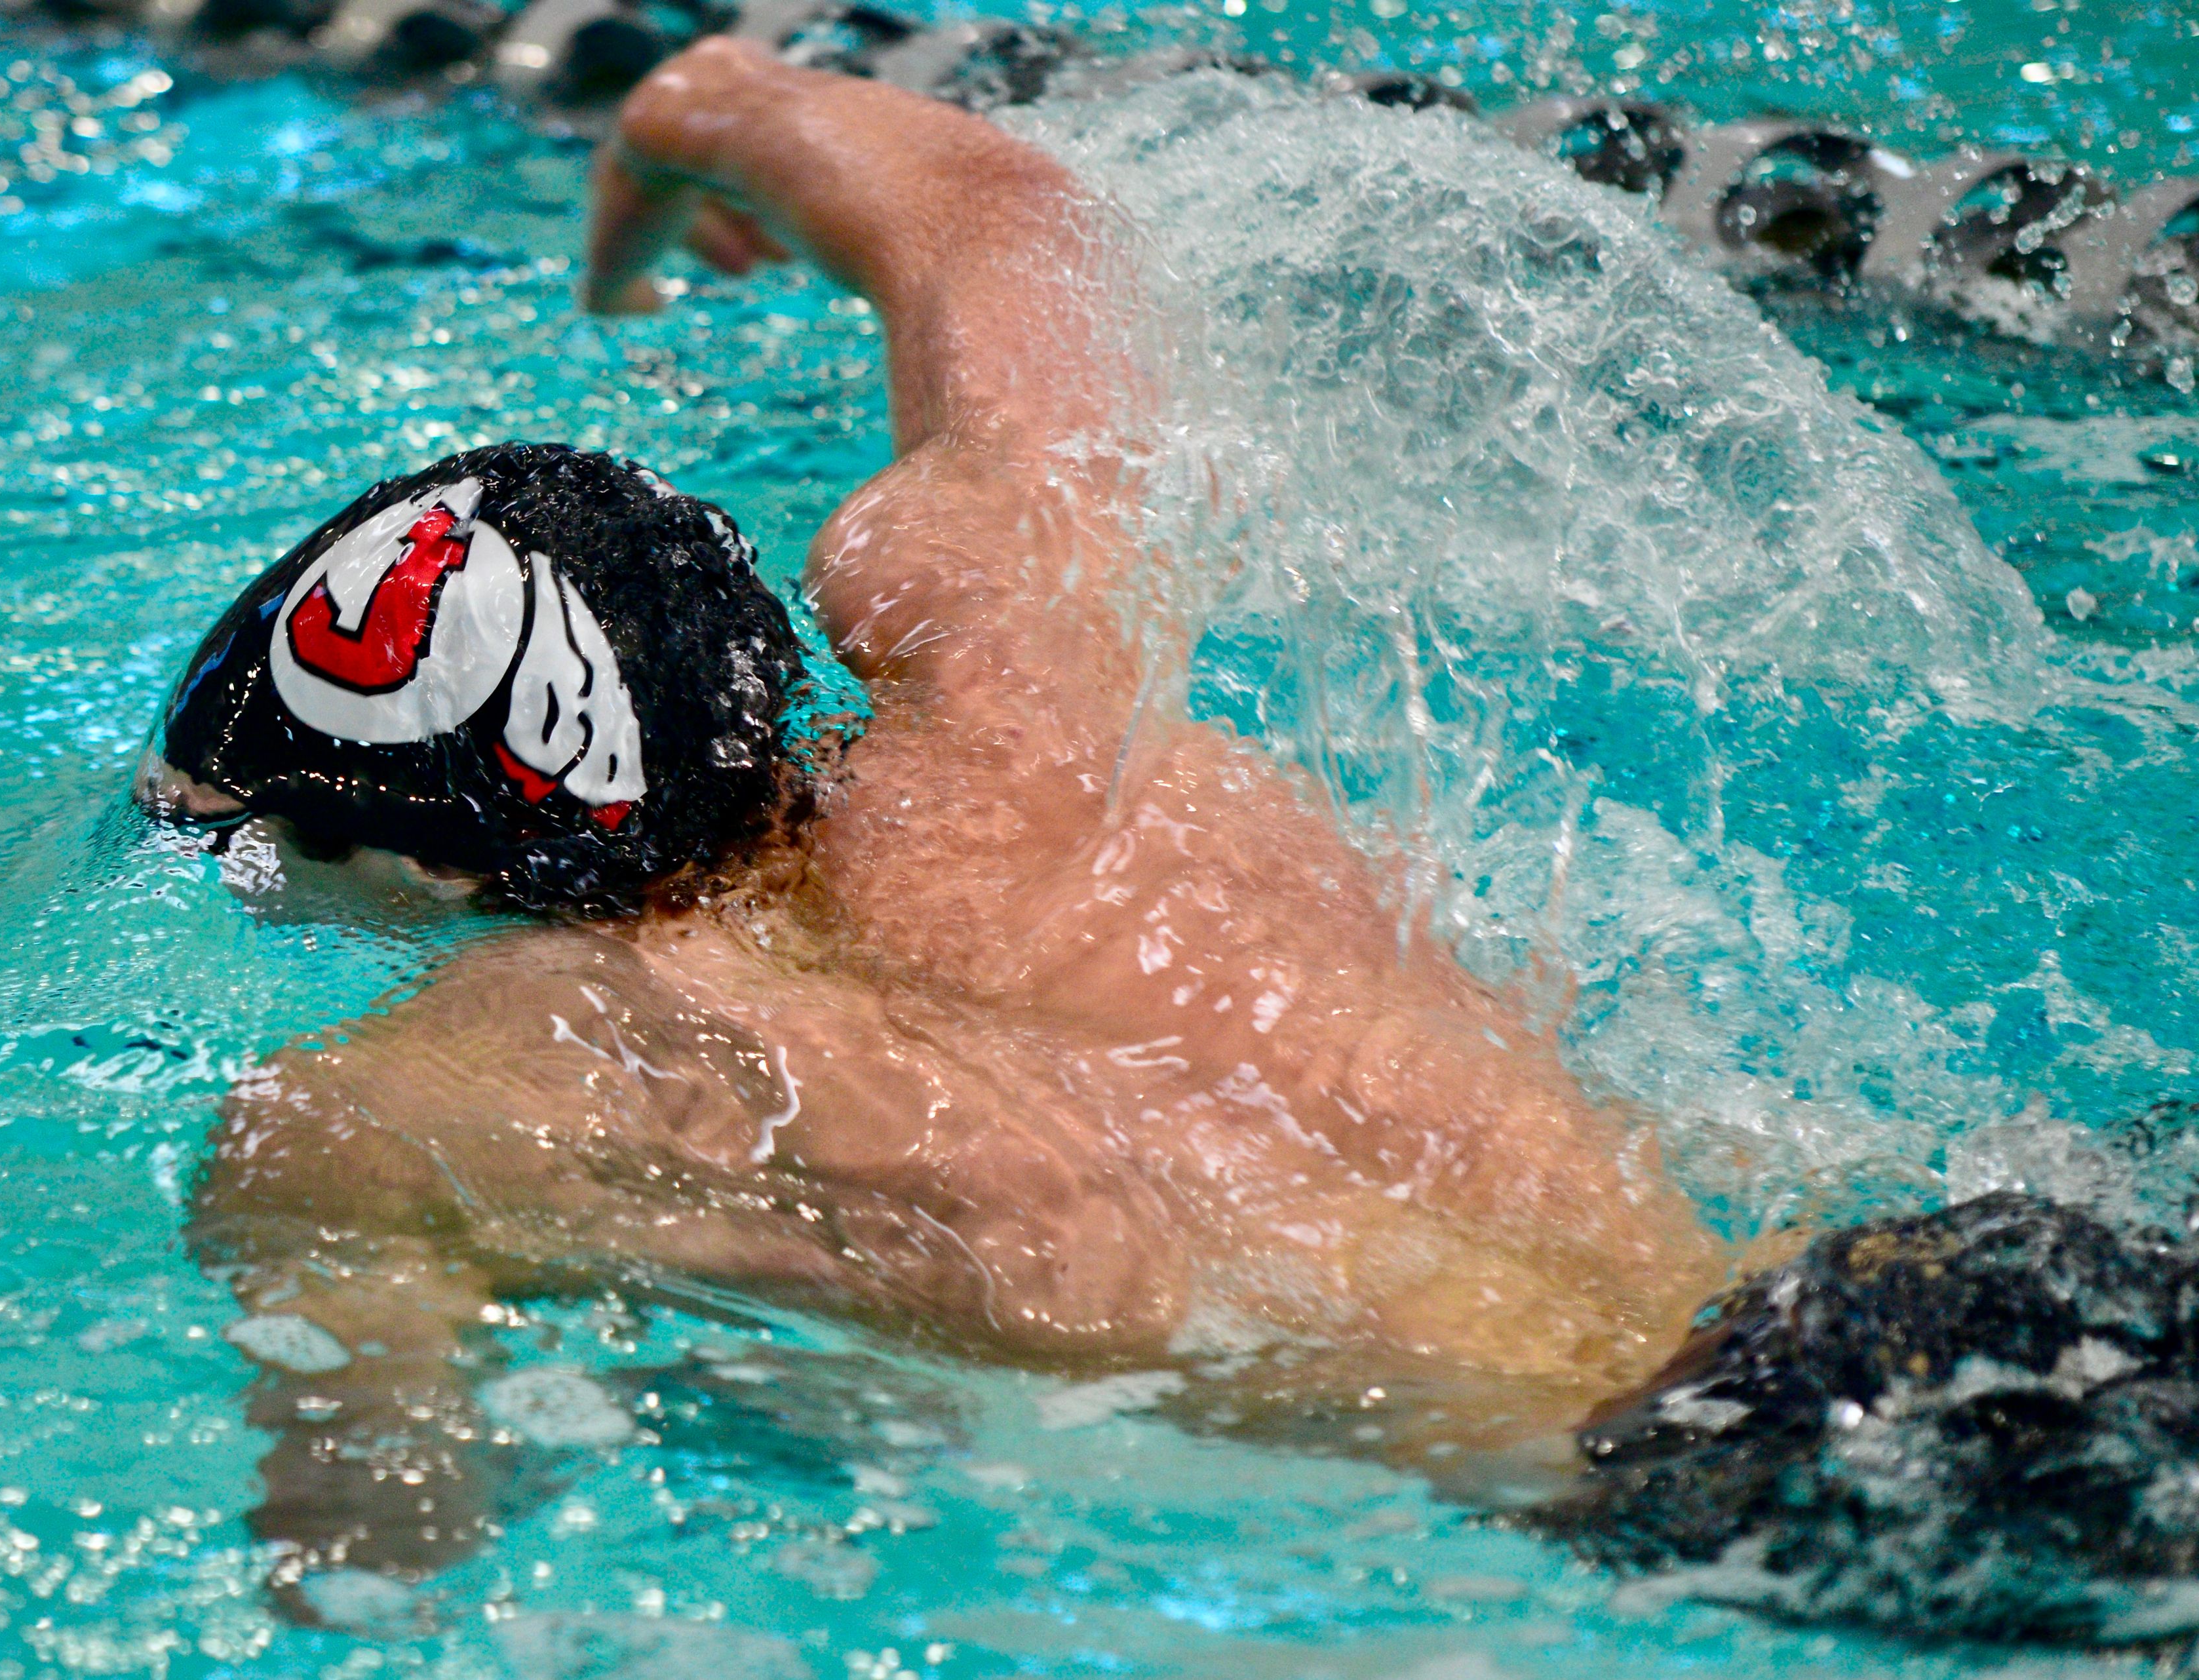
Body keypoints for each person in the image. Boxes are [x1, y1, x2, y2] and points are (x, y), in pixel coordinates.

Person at [149, 42, 2198, 1635]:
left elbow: (373, 1574)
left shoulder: (461, 1076)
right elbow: (1007, 212)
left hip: (1712, 1495)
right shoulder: (1006, 699)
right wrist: (723, 103)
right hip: (1958, 1269)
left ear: (430, 868)